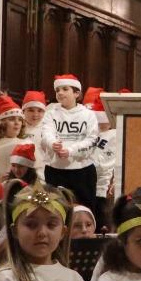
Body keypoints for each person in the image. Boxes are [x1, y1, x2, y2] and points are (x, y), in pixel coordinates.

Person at [39, 74, 102, 213]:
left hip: (82, 170)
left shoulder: (88, 115)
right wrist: (53, 143)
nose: (60, 93)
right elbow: (46, 133)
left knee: (84, 209)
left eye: (65, 89)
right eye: (57, 90)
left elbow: (92, 140)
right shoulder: (51, 113)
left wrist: (71, 150)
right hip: (55, 170)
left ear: (76, 93)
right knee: (55, 210)